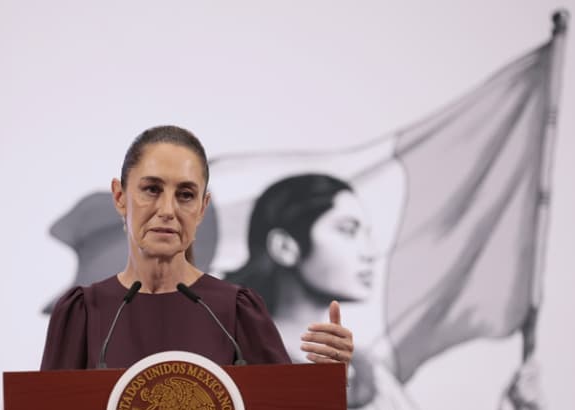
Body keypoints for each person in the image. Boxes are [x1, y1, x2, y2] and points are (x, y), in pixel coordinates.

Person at [225, 173, 540, 410]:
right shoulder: (230, 369)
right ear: (285, 246)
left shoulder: (370, 376)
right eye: (348, 230)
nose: (370, 251)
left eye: (367, 233)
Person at [39, 125, 354, 373]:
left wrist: (326, 382)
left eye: (186, 194)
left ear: (203, 208)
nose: (167, 209)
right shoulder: (81, 314)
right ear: (120, 197)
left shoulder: (238, 313)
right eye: (151, 189)